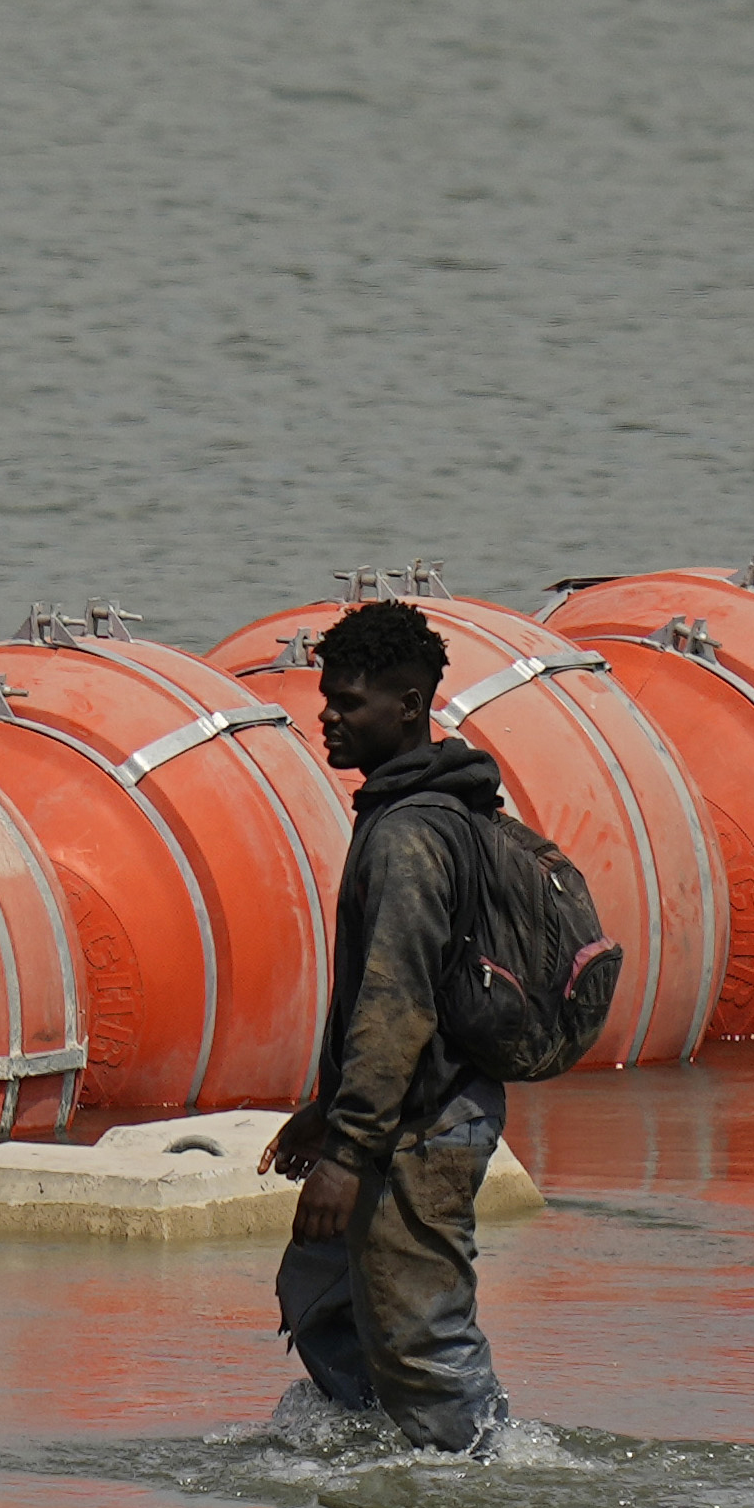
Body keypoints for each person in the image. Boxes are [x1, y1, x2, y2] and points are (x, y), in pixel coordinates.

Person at [257, 599, 516, 1452]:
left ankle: (480, 1478)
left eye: (348, 703)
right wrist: (327, 1110)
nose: (326, 716)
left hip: (424, 1123)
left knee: (425, 1337)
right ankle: (384, 1455)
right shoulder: (424, 808)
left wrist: (348, 1151)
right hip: (407, 1108)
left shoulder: (409, 835)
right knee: (324, 1295)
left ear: (408, 706)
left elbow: (396, 1005)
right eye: (325, 697)